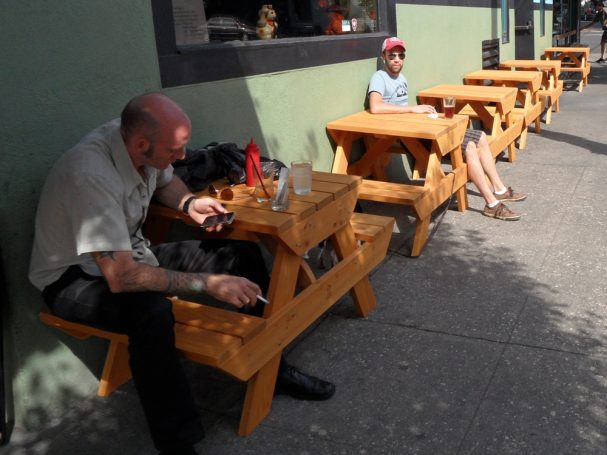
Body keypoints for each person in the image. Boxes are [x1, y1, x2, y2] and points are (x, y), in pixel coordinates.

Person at [28, 93, 335, 455]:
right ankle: (177, 445)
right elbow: (122, 278)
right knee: (152, 314)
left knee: (238, 253)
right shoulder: (90, 176)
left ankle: (274, 369)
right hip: (72, 279)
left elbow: (165, 181)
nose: (184, 157)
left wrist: (190, 203)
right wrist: (207, 284)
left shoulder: (136, 141)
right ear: (141, 144)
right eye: (176, 150)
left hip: (129, 255)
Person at [367, 37, 526, 221]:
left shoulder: (401, 78)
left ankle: (499, 190)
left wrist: (424, 114)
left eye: (400, 55)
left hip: (419, 127)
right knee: (469, 147)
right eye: (391, 55)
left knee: (480, 136)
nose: (396, 59)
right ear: (383, 56)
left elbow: (400, 110)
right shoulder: (379, 77)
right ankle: (491, 203)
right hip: (410, 136)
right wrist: (413, 109)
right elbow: (376, 107)